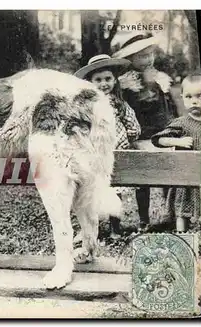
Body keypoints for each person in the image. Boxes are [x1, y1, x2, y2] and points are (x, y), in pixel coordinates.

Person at [112, 32, 179, 232]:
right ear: (130, 59)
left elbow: (167, 107)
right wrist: (144, 86)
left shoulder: (159, 78)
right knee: (143, 180)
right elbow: (132, 109)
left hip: (162, 133)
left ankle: (170, 214)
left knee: (168, 175)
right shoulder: (125, 83)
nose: (148, 59)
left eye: (150, 54)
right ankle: (144, 219)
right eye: (142, 56)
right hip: (141, 135)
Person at [74, 54, 141, 239]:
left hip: (115, 153)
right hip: (93, 154)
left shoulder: (120, 104)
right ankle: (88, 229)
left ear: (114, 80)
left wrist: (127, 138)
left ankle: (115, 228)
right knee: (89, 190)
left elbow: (133, 126)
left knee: (114, 190)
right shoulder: (86, 107)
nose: (104, 84)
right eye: (98, 80)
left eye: (108, 79)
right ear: (90, 83)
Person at [151, 74, 201, 232]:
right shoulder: (181, 123)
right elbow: (158, 140)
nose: (194, 101)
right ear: (182, 98)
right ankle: (182, 234)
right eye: (188, 97)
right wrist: (178, 141)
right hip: (185, 176)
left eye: (200, 96)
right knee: (182, 208)